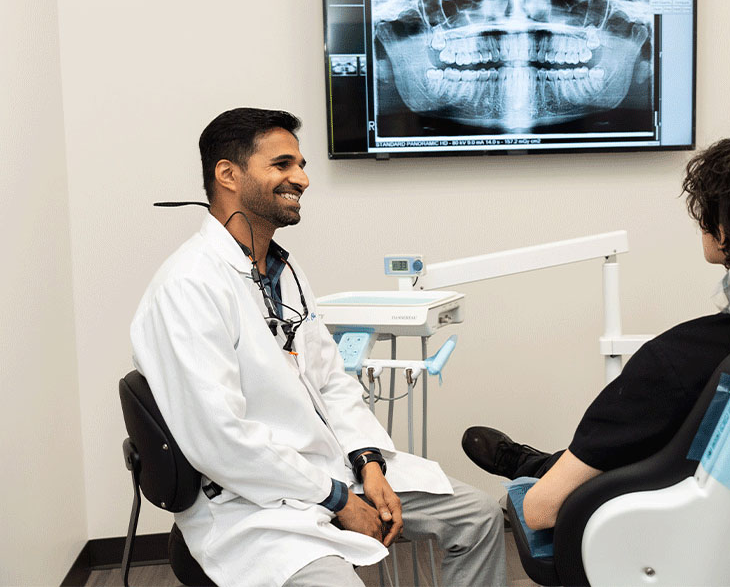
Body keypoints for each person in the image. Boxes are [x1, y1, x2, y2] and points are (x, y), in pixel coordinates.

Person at [131, 108, 506, 587]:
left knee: (476, 515)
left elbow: (331, 382)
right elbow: (221, 440)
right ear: (227, 174)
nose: (302, 179)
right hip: (252, 502)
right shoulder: (188, 287)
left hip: (331, 472)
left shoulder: (282, 273)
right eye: (283, 165)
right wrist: (338, 500)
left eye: (301, 165)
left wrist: (368, 464)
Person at [462, 127, 730, 530]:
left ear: (723, 230)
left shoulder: (678, 361)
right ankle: (539, 461)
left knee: (551, 487)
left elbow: (542, 512)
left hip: (693, 549)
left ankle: (534, 467)